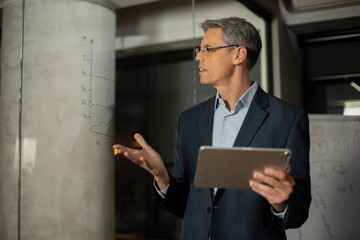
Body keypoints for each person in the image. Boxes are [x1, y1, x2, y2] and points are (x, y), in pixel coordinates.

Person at [113, 17, 311, 240]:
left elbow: (300, 210)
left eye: (208, 49)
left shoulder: (288, 119)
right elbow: (182, 206)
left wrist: (282, 202)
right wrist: (161, 177)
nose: (198, 56)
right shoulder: (189, 120)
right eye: (200, 50)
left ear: (238, 55)